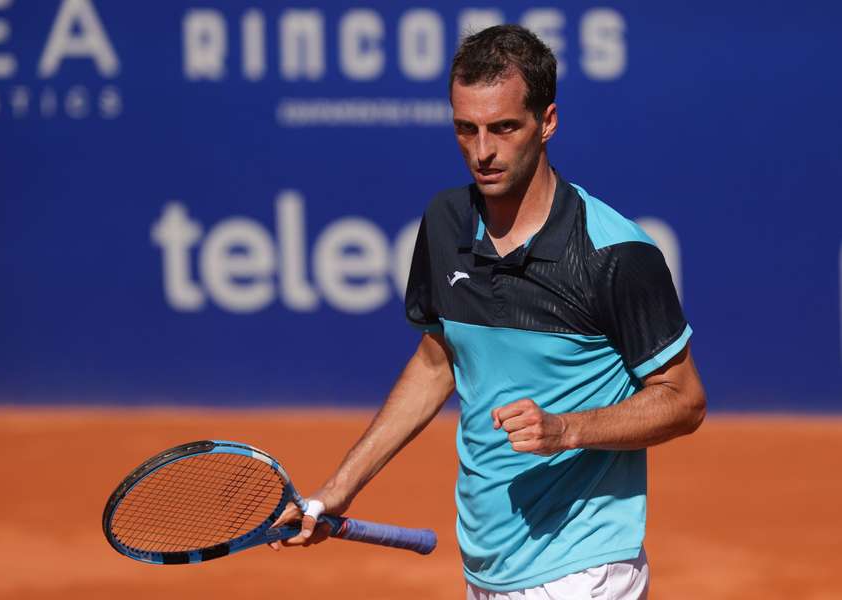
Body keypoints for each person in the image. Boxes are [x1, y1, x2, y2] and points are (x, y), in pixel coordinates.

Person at [271, 24, 706, 600]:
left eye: (503, 128)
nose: (482, 151)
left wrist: (567, 429)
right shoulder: (446, 221)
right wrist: (338, 489)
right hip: (488, 567)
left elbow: (684, 401)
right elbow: (435, 363)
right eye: (465, 129)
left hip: (585, 571)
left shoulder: (615, 254)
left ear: (547, 122)